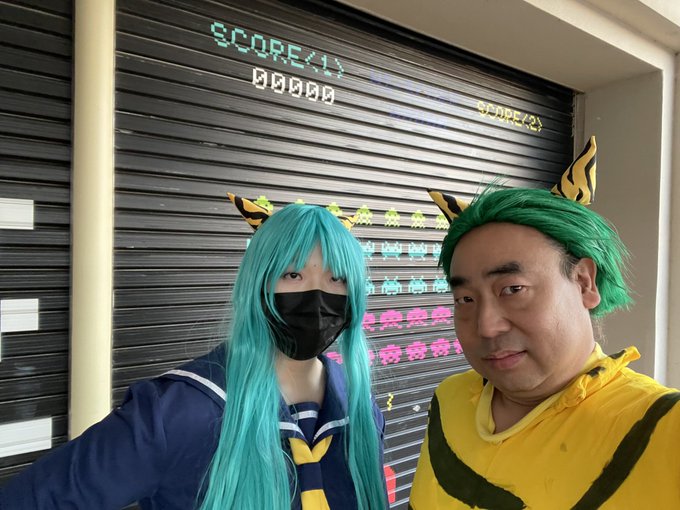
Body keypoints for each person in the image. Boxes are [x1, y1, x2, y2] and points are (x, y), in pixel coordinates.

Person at [0, 194, 387, 510]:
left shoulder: (360, 408)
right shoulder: (178, 412)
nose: (317, 298)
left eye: (337, 278)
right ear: (258, 284)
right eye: (293, 274)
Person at [410, 137, 680, 509]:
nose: (486, 326)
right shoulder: (450, 400)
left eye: (513, 289)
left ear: (584, 282)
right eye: (465, 299)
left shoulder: (662, 428)